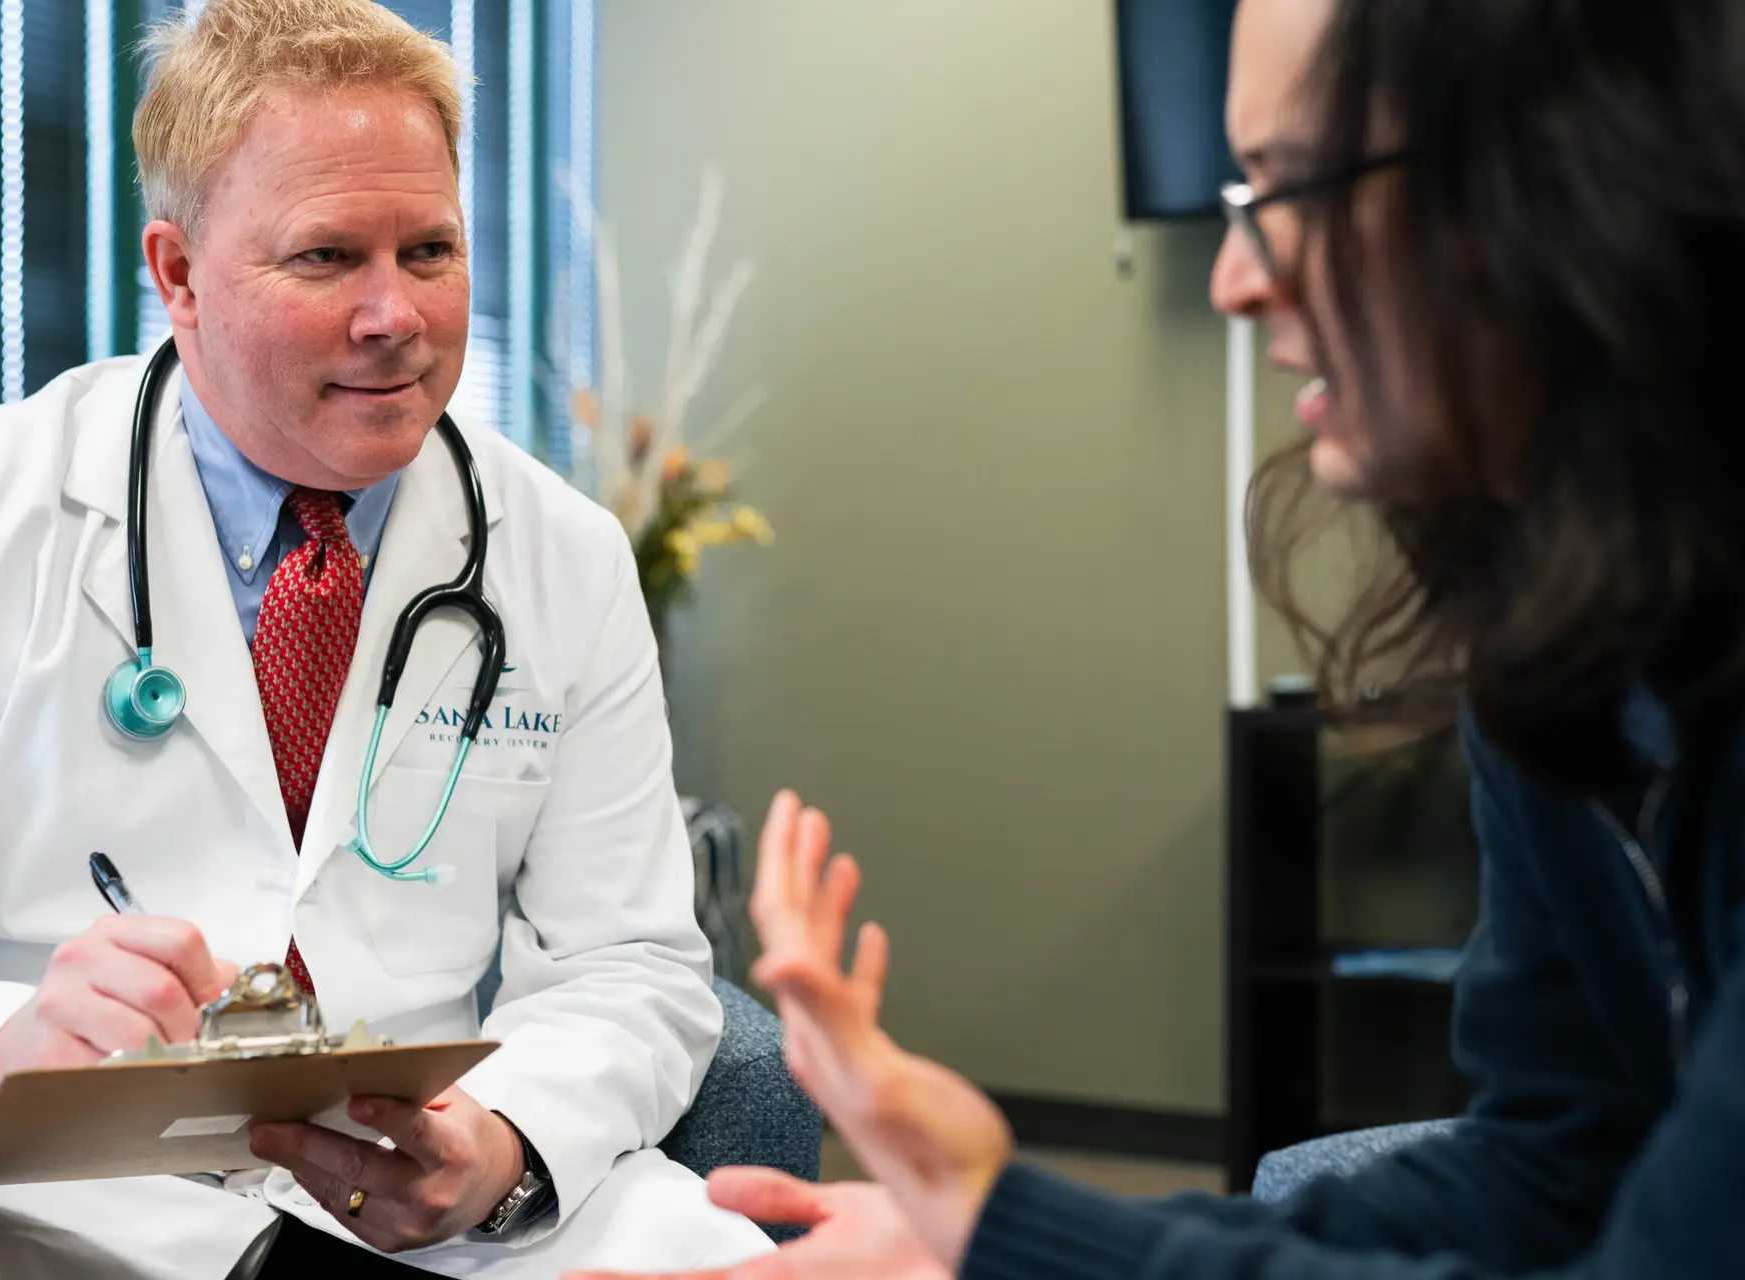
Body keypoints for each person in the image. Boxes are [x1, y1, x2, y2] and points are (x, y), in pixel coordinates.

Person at [572, 0, 1745, 1277]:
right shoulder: (1559, 617)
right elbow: (1551, 1173)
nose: (1235, 276)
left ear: (1557, 173)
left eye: (1292, 188)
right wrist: (984, 1230)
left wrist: (1007, 1236)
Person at [0, 2, 774, 1276]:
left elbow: (632, 960)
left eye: (430, 248)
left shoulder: (560, 550)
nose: (397, 314)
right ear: (177, 275)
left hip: (426, 1203)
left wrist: (500, 1148)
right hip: (66, 1199)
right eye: (326, 258)